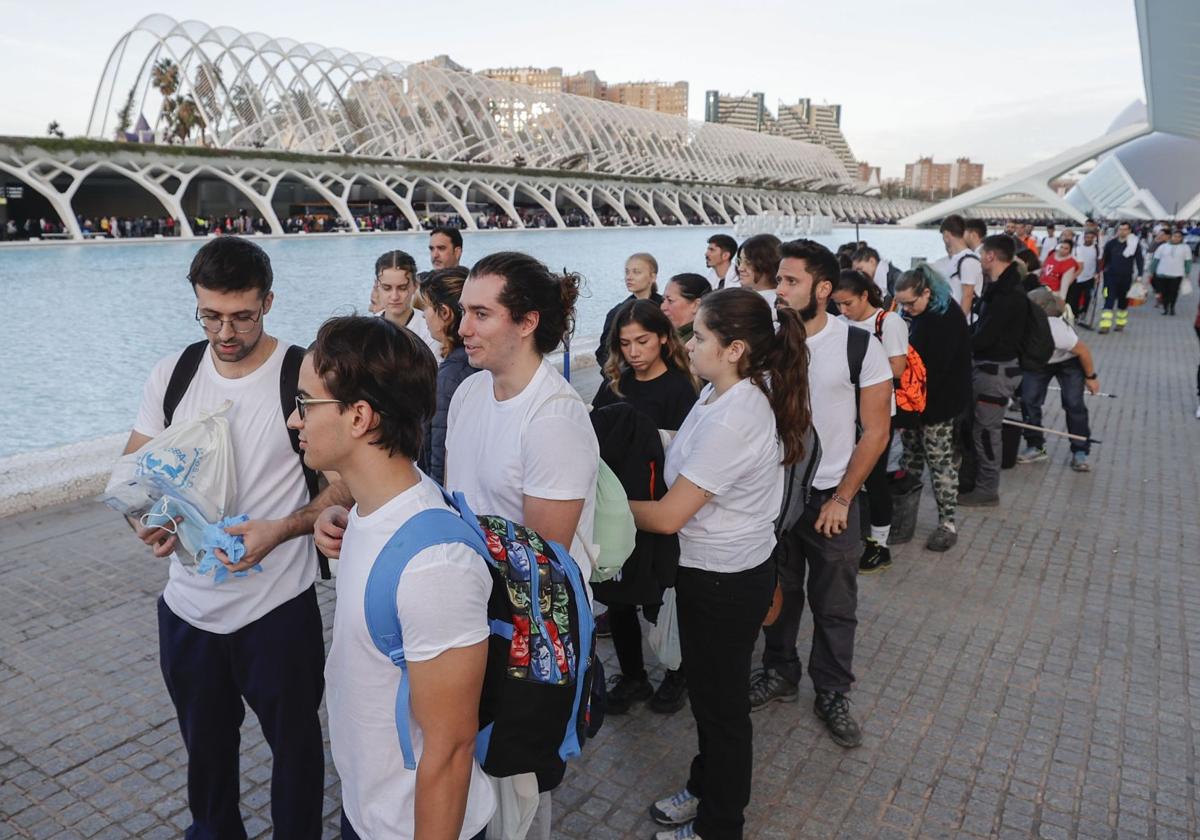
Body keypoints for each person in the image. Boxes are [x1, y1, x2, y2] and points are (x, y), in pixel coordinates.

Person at [123, 237, 350, 839]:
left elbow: (345, 484)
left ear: (268, 302)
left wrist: (285, 529)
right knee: (206, 759)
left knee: (296, 752)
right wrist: (149, 521)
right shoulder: (173, 375)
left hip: (277, 610)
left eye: (242, 316)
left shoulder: (300, 375)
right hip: (188, 612)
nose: (226, 331)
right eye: (211, 315)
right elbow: (133, 477)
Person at [291, 316, 494, 840]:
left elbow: (450, 752)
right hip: (369, 807)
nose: (295, 421)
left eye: (305, 403)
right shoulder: (372, 510)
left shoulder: (436, 566)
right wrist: (341, 521)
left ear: (358, 416)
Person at [629, 288, 812, 840]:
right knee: (714, 701)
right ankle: (705, 787)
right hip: (722, 570)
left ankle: (719, 826)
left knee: (722, 711)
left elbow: (666, 517)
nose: (689, 343)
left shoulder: (738, 413)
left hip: (722, 580)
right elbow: (690, 448)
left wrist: (596, 502)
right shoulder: (725, 390)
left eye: (699, 335)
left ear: (734, 348)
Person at [449, 251, 598, 839]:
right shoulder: (468, 394)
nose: (463, 327)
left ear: (527, 321)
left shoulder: (553, 418)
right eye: (463, 311)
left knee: (520, 795)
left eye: (481, 314)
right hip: (475, 619)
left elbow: (542, 565)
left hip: (527, 638)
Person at [755, 240, 892, 744]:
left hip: (832, 495)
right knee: (780, 592)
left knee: (835, 602)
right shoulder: (767, 342)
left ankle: (832, 689)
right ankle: (780, 672)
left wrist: (842, 498)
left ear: (824, 288)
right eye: (779, 280)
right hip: (776, 494)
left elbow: (876, 432)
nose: (780, 290)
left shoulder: (859, 346)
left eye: (791, 281)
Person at [592, 299, 699, 715]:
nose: (634, 351)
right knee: (617, 597)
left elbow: (689, 451)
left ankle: (678, 672)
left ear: (662, 339)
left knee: (660, 596)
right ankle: (634, 677)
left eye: (643, 341)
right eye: (625, 343)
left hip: (659, 506)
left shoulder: (680, 387)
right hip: (615, 506)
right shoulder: (614, 382)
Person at [831, 269, 909, 573]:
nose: (843, 310)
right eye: (838, 304)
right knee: (846, 475)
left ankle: (880, 544)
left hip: (876, 413)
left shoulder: (889, 322)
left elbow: (897, 368)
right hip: (844, 412)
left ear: (865, 295)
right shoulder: (840, 323)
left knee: (874, 479)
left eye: (848, 303)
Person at [890, 264, 972, 550]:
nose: (906, 309)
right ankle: (903, 515)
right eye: (901, 304)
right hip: (914, 404)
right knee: (910, 460)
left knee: (940, 464)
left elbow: (934, 371)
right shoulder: (919, 313)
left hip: (938, 406)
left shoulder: (946, 319)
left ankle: (947, 523)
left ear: (927, 292)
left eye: (910, 303)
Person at [961, 235, 1029, 507]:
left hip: (995, 373)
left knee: (987, 432)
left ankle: (988, 489)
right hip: (992, 369)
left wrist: (959, 341)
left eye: (981, 254)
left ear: (991, 256)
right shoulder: (1002, 288)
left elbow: (988, 336)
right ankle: (979, 483)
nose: (978, 259)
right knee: (981, 429)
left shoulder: (1007, 295)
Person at [1016, 289, 1099, 472]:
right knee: (1029, 400)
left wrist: (1091, 377)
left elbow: (1083, 352)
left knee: (1073, 403)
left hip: (1067, 362)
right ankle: (1036, 446)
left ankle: (1080, 451)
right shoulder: (1022, 323)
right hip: (1039, 363)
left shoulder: (1056, 329)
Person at [418, 267, 479, 485]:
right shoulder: (477, 361)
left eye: (426, 307)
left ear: (444, 313)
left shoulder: (451, 375)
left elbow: (440, 454)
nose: (423, 314)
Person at [595, 252, 663, 367]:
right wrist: (617, 376)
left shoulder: (664, 307)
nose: (629, 277)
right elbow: (603, 352)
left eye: (636, 272)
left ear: (653, 277)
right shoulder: (617, 312)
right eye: (627, 272)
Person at [375, 250, 441, 358]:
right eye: (387, 288)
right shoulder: (369, 329)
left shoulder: (429, 330)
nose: (395, 296)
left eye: (402, 288)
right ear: (377, 286)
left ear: (415, 285)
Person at [1098, 222, 1145, 333]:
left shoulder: (1133, 245)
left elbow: (1139, 260)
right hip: (1110, 277)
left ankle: (1120, 324)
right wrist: (1100, 272)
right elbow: (1105, 259)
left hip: (1126, 277)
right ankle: (1105, 326)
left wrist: (1140, 275)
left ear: (1129, 231)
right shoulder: (1111, 244)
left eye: (1125, 229)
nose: (1122, 231)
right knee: (1108, 299)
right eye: (1120, 229)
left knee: (1123, 302)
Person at [941, 214, 982, 317]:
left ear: (946, 235)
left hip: (965, 323)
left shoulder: (967, 261)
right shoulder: (958, 259)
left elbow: (967, 295)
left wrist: (960, 325)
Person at [1150, 229, 1193, 316]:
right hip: (1162, 273)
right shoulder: (1163, 247)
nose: (1176, 238)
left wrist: (1187, 272)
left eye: (1179, 237)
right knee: (1164, 292)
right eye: (1174, 236)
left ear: (1181, 238)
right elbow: (1155, 260)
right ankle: (1165, 308)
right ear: (1171, 237)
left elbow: (1188, 261)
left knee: (1173, 292)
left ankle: (1172, 307)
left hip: (1177, 274)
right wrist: (1152, 270)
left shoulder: (1185, 248)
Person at [661, 273, 712, 344]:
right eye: (663, 300)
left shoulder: (699, 343)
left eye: (670, 300)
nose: (663, 307)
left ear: (695, 305)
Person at [735, 234, 782, 309]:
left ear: (768, 264)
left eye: (748, 262)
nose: (740, 268)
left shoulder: (778, 304)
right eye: (739, 261)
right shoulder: (746, 298)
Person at [1070, 228, 1102, 317]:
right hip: (1077, 276)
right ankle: (1074, 314)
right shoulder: (1078, 248)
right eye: (1087, 237)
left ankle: (1084, 311)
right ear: (1084, 238)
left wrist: (1098, 274)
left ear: (1094, 238)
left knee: (1088, 297)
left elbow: (1098, 262)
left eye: (1091, 238)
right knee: (1075, 297)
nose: (1089, 239)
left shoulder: (1096, 249)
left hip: (1089, 277)